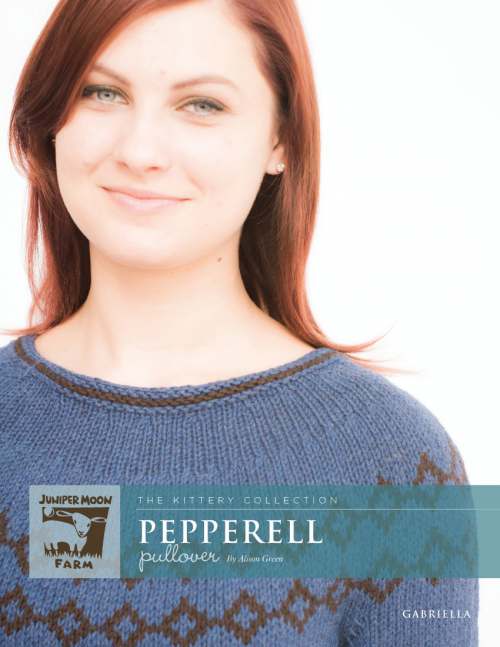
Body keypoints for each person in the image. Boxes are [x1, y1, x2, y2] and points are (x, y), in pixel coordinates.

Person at [0, 0, 478, 645]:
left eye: (202, 104)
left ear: (280, 140)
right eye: (101, 92)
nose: (139, 151)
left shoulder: (392, 466)